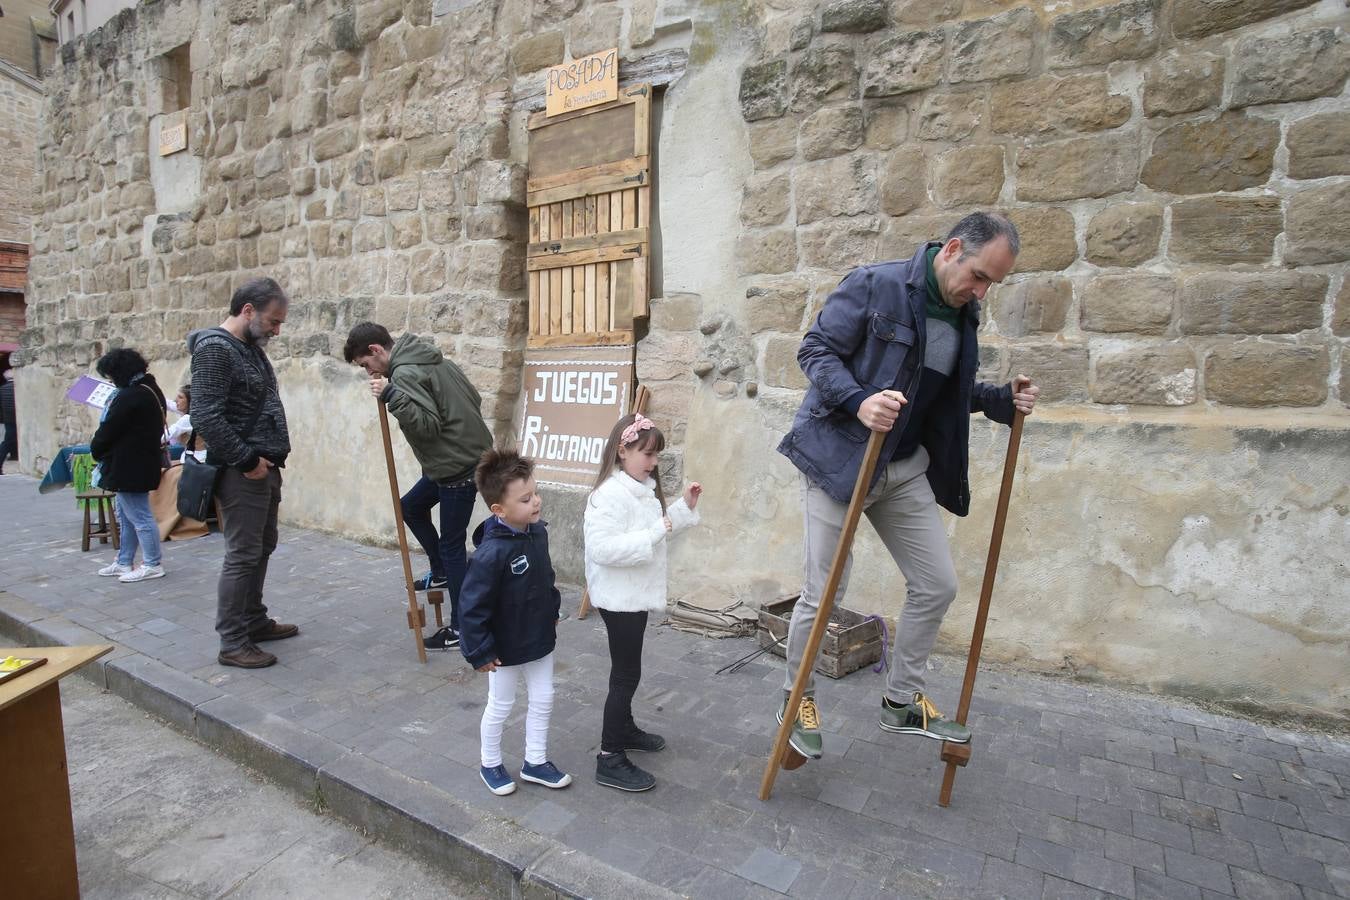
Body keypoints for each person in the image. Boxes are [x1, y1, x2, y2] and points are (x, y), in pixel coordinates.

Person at [774, 211, 1040, 760]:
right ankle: (797, 696)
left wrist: (999, 400)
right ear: (953, 249)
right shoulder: (876, 284)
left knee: (937, 583)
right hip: (840, 462)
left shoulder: (964, 314)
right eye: (981, 276)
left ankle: (901, 700)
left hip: (900, 470)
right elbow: (814, 351)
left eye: (993, 282)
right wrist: (859, 400)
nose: (982, 290)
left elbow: (945, 392)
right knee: (823, 595)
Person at [343, 322, 492, 652]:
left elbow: (427, 427)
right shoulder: (435, 360)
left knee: (453, 545)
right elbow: (475, 397)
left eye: (366, 365)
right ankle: (440, 572)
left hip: (457, 468)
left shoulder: (407, 374)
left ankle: (463, 628)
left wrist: (392, 395)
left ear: (376, 351)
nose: (369, 373)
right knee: (409, 507)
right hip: (460, 458)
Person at [583, 413, 701, 792]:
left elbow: (659, 531)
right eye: (647, 454)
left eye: (656, 455)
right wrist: (654, 531)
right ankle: (609, 757)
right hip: (619, 599)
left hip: (633, 596)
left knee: (628, 671)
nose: (653, 463)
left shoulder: (640, 489)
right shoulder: (608, 496)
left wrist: (683, 508)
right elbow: (602, 549)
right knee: (625, 675)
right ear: (622, 451)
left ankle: (625, 729)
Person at [188, 277, 297, 669]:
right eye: (272, 320)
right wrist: (248, 460)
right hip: (243, 472)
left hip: (264, 467)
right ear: (248, 310)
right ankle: (233, 641)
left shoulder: (248, 348)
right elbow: (204, 414)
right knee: (243, 554)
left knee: (262, 546)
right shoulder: (216, 349)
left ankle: (253, 620)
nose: (276, 329)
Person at [458, 448, 571, 796]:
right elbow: (471, 607)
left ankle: (535, 761)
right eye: (525, 499)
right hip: (503, 648)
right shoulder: (491, 554)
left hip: (538, 638)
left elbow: (546, 578)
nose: (535, 502)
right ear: (499, 509)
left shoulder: (538, 533)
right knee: (502, 705)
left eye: (535, 493)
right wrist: (479, 650)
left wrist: (552, 612)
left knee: (543, 697)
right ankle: (489, 762)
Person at [89, 349, 169, 583]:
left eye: (111, 375)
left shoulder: (130, 396)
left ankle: (153, 563)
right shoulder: (150, 389)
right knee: (126, 516)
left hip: (130, 464)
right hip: (138, 461)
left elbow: (109, 430)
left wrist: (97, 449)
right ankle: (124, 560)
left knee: (140, 516)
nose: (110, 381)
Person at [166, 384, 206, 462]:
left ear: (190, 401)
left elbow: (164, 437)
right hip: (198, 455)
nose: (175, 400)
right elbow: (170, 404)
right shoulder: (195, 413)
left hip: (195, 459)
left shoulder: (187, 419)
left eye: (180, 397)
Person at [0, 368, 15, 473]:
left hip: (8, 419)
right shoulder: (18, 388)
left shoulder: (2, 389)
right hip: (19, 419)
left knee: (7, 441)